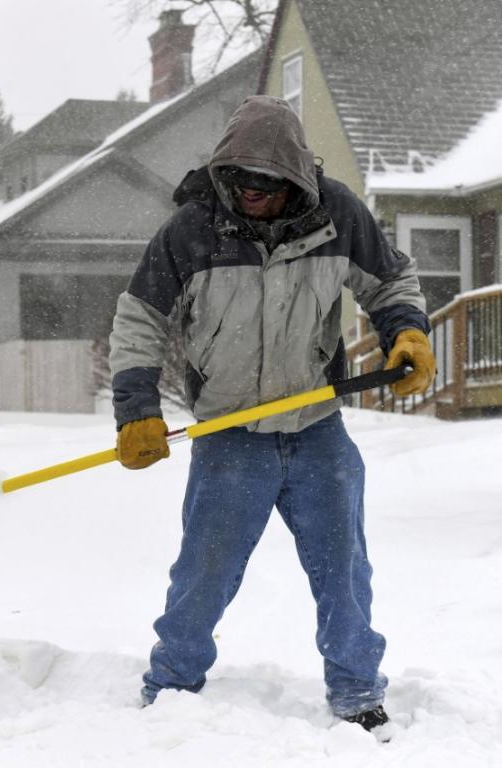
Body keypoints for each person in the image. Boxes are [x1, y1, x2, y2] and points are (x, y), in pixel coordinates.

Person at [108, 95, 435, 731]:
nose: (249, 192)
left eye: (264, 180)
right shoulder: (193, 228)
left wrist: (408, 333)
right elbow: (139, 320)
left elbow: (392, 283)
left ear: (294, 177)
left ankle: (358, 692)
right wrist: (135, 409)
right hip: (230, 435)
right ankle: (172, 685)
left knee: (344, 572)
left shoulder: (338, 215)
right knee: (204, 574)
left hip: (317, 430)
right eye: (236, 177)